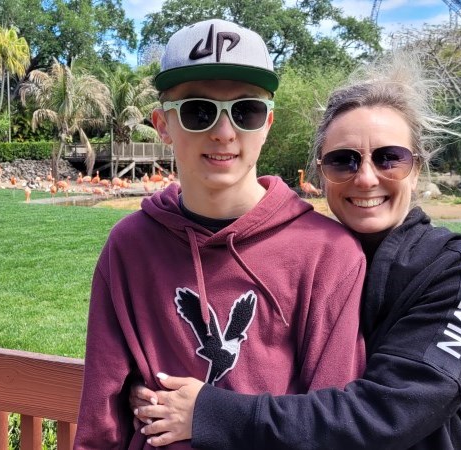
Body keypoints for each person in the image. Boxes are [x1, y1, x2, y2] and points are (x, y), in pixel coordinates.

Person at [132, 52, 461, 449]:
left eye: (389, 158)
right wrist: (152, 396)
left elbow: (391, 411)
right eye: (343, 161)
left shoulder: (460, 270)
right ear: (321, 173)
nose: (366, 178)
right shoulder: (317, 259)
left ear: (416, 169)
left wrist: (210, 413)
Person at [73, 18, 367, 449]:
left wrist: (212, 416)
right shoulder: (130, 247)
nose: (224, 132)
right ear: (162, 125)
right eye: (198, 111)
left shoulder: (329, 254)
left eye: (246, 111)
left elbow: (332, 424)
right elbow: (102, 416)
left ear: (268, 123)